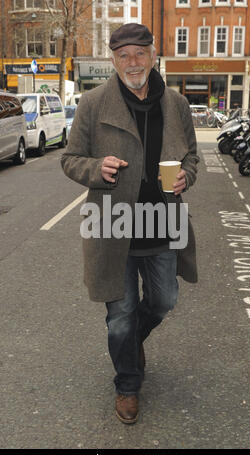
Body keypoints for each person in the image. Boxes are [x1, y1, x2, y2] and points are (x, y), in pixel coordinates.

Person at [61, 23, 199, 425]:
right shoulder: (93, 104)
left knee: (164, 300)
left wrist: (187, 175)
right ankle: (127, 385)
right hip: (112, 226)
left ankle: (132, 339)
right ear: (113, 61)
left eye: (140, 53)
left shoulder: (176, 104)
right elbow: (70, 159)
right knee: (118, 314)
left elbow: (192, 157)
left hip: (162, 222)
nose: (132, 62)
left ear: (153, 55)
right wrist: (94, 167)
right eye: (123, 56)